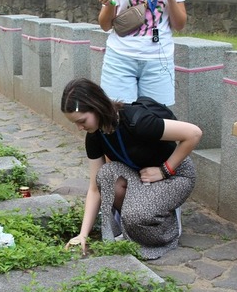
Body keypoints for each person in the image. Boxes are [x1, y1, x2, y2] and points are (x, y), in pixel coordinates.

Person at [61, 78, 201, 260]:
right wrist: (83, 235)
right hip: (141, 176)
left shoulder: (137, 121)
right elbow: (95, 188)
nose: (79, 128)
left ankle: (167, 225)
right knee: (105, 175)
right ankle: (139, 220)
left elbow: (194, 133)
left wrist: (164, 170)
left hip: (175, 175)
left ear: (97, 107)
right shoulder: (94, 136)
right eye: (76, 123)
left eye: (82, 121)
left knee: (135, 215)